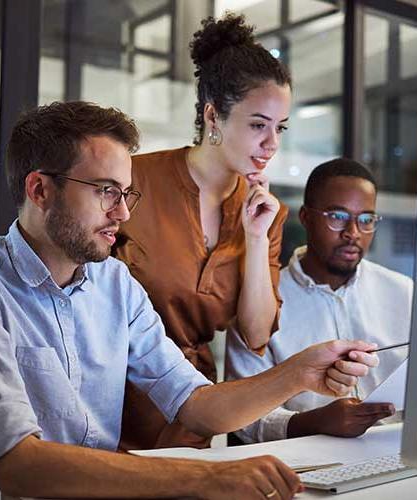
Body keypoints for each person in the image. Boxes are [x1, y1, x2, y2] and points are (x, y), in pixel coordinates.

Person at [0, 101, 380, 500]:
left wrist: (299, 372)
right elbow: (18, 466)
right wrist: (203, 478)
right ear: (40, 189)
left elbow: (198, 407)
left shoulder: (115, 284)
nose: (122, 213)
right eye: (105, 190)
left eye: (125, 193)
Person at [113, 13, 293, 449]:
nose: (272, 144)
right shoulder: (132, 178)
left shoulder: (266, 213)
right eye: (257, 125)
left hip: (193, 412)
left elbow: (254, 336)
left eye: (280, 128)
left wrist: (254, 237)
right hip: (110, 403)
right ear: (214, 115)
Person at [226, 158, 413, 444]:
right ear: (305, 218)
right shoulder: (261, 301)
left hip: (396, 452)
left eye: (366, 220)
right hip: (304, 464)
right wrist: (313, 422)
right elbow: (240, 417)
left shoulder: (403, 292)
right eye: (337, 217)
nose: (353, 233)